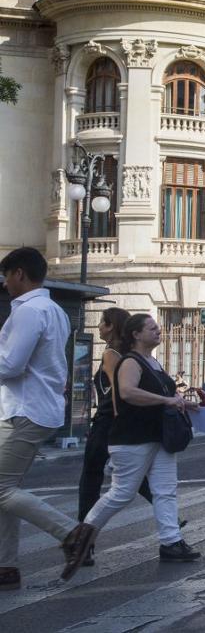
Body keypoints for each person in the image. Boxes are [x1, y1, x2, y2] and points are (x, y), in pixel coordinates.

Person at [67, 313, 201, 579]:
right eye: (152, 328)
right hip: (132, 436)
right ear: (136, 334)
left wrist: (182, 401)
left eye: (157, 327)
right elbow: (127, 392)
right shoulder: (130, 361)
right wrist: (166, 401)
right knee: (122, 492)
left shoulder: (153, 362)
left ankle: (171, 542)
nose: (158, 331)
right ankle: (80, 537)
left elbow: (163, 393)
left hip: (159, 436)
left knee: (165, 490)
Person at [0, 247, 94, 590]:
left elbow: (11, 365)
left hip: (26, 409)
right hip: (33, 408)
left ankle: (71, 532)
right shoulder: (53, 310)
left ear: (19, 274)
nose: (6, 283)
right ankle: (6, 566)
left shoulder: (29, 311)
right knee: (7, 489)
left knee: (1, 489)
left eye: (7, 276)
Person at [78, 308, 155, 524]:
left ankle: (83, 529)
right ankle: (168, 513)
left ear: (111, 326)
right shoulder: (129, 354)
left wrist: (117, 417)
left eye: (103, 322)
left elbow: (116, 390)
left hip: (106, 421)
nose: (99, 326)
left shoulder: (110, 354)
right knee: (132, 474)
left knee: (91, 476)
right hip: (118, 420)